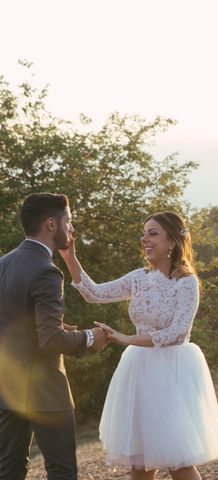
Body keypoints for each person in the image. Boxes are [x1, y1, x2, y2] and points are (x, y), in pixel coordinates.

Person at [60, 211, 218, 480]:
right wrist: (70, 256)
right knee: (140, 462)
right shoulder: (139, 278)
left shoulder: (186, 283)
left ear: (172, 241)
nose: (145, 239)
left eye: (153, 234)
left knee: (178, 461)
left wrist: (126, 339)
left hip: (172, 373)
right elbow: (94, 293)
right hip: (139, 372)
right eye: (144, 233)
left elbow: (176, 334)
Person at [0, 192, 109, 480]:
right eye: (68, 222)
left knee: (9, 470)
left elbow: (16, 324)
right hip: (45, 390)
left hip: (7, 388)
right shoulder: (46, 271)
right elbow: (49, 340)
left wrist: (60, 328)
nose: (71, 230)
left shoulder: (3, 264)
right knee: (62, 471)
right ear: (51, 224)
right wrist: (88, 337)